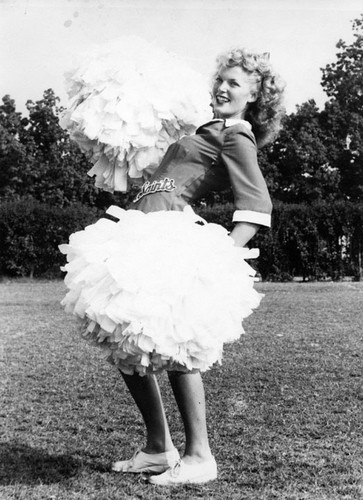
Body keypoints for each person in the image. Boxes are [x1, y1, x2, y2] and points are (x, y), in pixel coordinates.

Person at [60, 47, 285, 486]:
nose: (222, 87)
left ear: (253, 97)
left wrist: (221, 255)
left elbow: (257, 205)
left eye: (235, 83)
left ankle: (200, 456)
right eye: (221, 78)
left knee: (177, 344)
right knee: (127, 344)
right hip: (139, 230)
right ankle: (157, 448)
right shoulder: (207, 127)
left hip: (169, 238)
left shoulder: (236, 135)